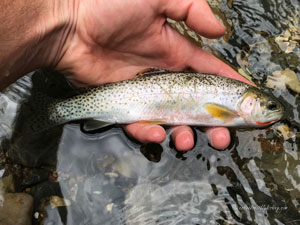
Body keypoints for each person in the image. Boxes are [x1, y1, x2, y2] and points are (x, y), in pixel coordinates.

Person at [0, 0, 252, 151]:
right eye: (269, 106)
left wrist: (70, 17)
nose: (271, 111)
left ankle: (50, 112)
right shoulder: (233, 111)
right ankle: (54, 112)